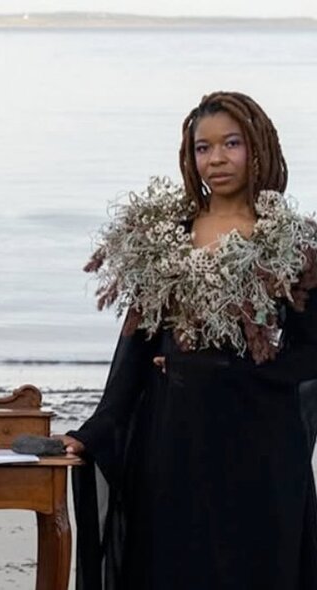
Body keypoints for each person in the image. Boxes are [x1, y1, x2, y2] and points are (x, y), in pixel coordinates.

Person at [59, 91, 317, 590]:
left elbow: (310, 350)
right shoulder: (169, 235)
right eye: (203, 148)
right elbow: (137, 343)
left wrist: (233, 371)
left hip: (261, 441)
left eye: (231, 144)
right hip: (176, 438)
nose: (216, 159)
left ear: (258, 145)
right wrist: (95, 430)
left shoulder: (294, 242)